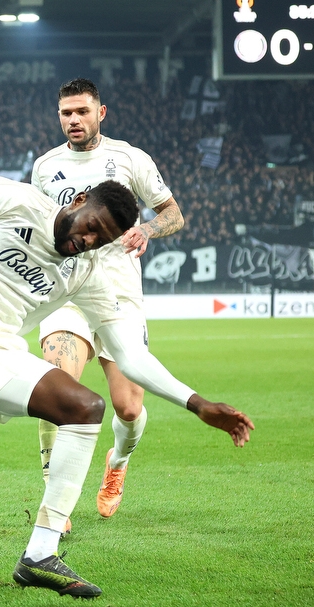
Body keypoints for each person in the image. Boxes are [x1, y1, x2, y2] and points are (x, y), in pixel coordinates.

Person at [0, 176, 252, 598]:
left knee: (86, 407)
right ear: (79, 200)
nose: (88, 240)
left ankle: (40, 554)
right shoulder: (16, 201)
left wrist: (197, 403)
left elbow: (130, 355)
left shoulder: (87, 271)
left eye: (101, 240)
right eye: (91, 227)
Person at [31, 78, 186, 523]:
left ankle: (116, 464)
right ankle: (53, 487)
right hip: (67, 293)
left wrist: (147, 229)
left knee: (129, 407)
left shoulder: (130, 159)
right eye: (66, 113)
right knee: (56, 386)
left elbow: (172, 211)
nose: (73, 120)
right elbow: (44, 225)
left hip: (119, 294)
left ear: (102, 113)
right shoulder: (45, 166)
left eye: (81, 111)